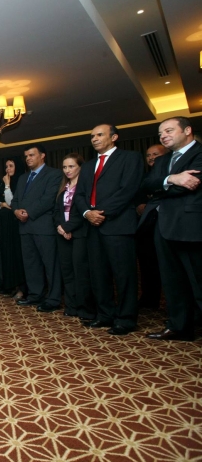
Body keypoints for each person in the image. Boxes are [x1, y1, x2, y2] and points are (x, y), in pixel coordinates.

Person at [74, 124, 144, 335]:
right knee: (98, 274)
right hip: (93, 227)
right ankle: (105, 315)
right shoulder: (88, 166)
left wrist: (101, 213)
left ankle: (126, 319)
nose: (94, 139)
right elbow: (79, 195)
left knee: (124, 275)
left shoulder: (130, 158)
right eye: (92, 136)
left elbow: (128, 190)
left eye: (99, 135)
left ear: (114, 137)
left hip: (118, 225)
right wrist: (87, 213)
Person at [142, 117, 201, 341]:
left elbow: (191, 184)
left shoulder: (199, 154)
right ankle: (179, 327)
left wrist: (163, 185)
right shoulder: (162, 160)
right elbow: (146, 185)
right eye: (160, 133)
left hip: (191, 227)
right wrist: (172, 178)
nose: (163, 136)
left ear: (187, 130)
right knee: (173, 281)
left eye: (168, 130)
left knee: (198, 281)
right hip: (163, 226)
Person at [11, 144, 63, 312]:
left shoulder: (54, 174)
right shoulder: (22, 178)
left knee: (50, 264)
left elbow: (48, 199)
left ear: (42, 155)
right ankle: (35, 295)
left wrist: (29, 212)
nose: (28, 158)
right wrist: (16, 211)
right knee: (31, 264)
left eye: (31, 155)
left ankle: (53, 299)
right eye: (26, 156)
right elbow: (15, 200)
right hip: (24, 227)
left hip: (43, 227)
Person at [53, 153, 94, 320]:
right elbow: (56, 211)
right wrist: (61, 227)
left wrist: (68, 227)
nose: (67, 170)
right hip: (62, 234)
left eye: (71, 166)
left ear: (80, 167)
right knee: (67, 271)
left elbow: (83, 212)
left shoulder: (85, 187)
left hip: (80, 234)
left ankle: (85, 308)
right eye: (64, 167)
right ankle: (71, 306)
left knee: (81, 272)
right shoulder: (63, 187)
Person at [134, 144, 169, 309]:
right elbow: (135, 196)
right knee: (147, 265)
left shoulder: (171, 173)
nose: (151, 158)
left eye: (155, 154)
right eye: (148, 155)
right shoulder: (143, 177)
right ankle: (149, 299)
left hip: (168, 226)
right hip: (146, 227)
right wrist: (139, 205)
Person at [0, 157, 27, 298]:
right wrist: (1, 204)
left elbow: (12, 203)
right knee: (9, 256)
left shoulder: (22, 182)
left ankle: (22, 288)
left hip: (17, 225)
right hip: (6, 225)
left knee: (18, 257)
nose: (7, 169)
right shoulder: (5, 183)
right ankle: (12, 286)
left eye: (11, 165)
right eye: (6, 166)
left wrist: (7, 186)